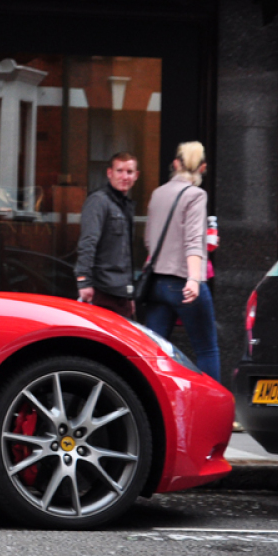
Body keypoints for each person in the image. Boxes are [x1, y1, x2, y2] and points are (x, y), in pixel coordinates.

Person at [141, 142, 221, 382]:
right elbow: (194, 241)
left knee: (153, 354)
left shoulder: (157, 194)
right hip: (183, 282)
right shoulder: (196, 195)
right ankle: (211, 412)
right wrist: (194, 279)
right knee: (206, 349)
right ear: (203, 167)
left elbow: (148, 239)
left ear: (175, 164)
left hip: (156, 283)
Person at [74, 152, 139, 318]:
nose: (124, 176)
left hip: (121, 293)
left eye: (129, 172)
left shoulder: (126, 205)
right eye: (119, 171)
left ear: (136, 176)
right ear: (109, 173)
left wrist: (129, 295)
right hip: (101, 291)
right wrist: (84, 282)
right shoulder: (98, 201)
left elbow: (125, 255)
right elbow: (88, 243)